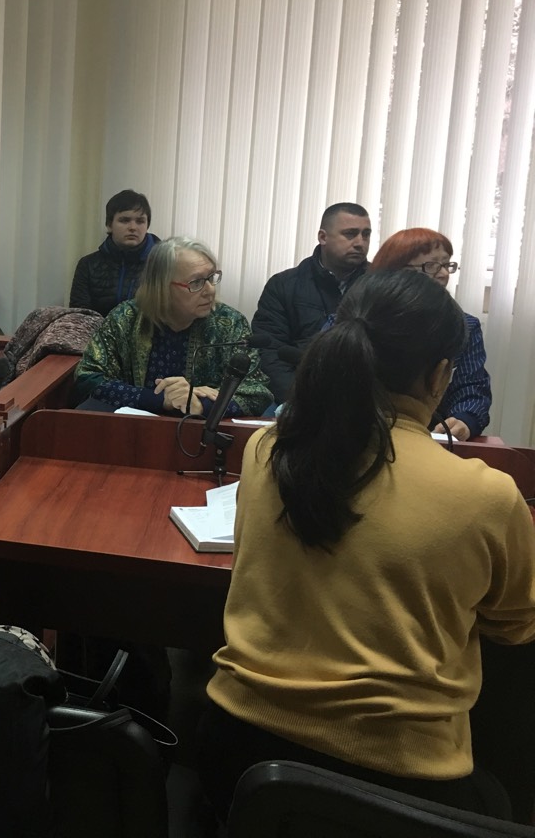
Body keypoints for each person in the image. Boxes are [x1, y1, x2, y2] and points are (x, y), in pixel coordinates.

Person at [198, 268, 535, 821]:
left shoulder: (267, 449)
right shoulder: (487, 496)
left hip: (238, 753)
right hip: (398, 785)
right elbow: (517, 625)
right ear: (439, 376)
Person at [73, 236, 271, 416]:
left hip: (201, 432)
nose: (210, 290)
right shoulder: (126, 318)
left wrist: (201, 403)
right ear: (162, 286)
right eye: (197, 282)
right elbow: (87, 377)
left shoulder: (230, 323)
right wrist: (160, 400)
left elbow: (257, 393)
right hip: (134, 428)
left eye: (212, 277)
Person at [367, 228, 490, 441]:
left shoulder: (465, 326)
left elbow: (472, 387)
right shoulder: (358, 318)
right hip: (360, 433)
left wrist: (465, 419)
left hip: (432, 437)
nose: (444, 274)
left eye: (447, 265)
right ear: (397, 271)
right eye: (432, 266)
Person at [251, 202, 371, 404]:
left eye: (366, 235)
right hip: (294, 397)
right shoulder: (284, 285)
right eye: (350, 234)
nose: (360, 243)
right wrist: (300, 402)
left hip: (362, 400)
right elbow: (270, 353)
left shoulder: (380, 287)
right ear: (323, 237)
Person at [68, 189, 160, 317]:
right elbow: (79, 316)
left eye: (140, 221)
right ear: (109, 225)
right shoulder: (88, 265)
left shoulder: (163, 264)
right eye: (124, 220)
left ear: (147, 225)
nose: (133, 227)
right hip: (97, 329)